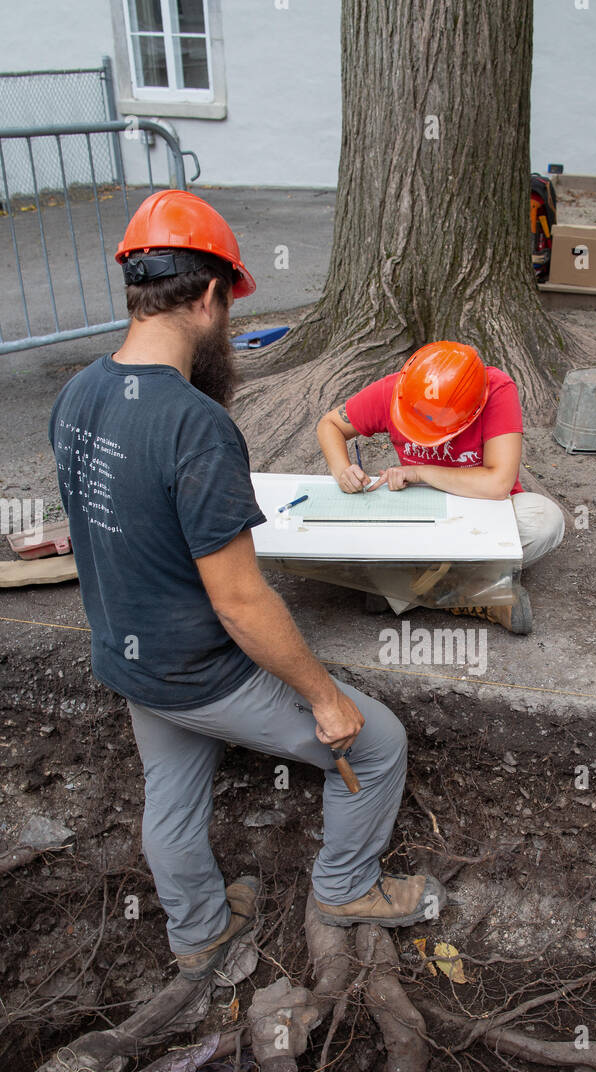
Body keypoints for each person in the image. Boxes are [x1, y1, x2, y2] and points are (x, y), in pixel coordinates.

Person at [48, 190, 443, 982]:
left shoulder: (78, 393)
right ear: (206, 298)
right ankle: (344, 889)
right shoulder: (195, 424)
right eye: (226, 305)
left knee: (173, 791)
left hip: (127, 656)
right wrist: (325, 696)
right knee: (378, 738)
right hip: (196, 668)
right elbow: (239, 599)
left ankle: (198, 934)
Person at [316, 341, 565, 634]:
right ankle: (483, 594)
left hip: (482, 508)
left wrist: (420, 472)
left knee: (545, 521)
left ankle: (405, 592)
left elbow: (498, 484)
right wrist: (342, 469)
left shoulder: (496, 389)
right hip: (417, 512)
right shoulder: (395, 390)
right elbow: (330, 424)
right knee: (337, 539)